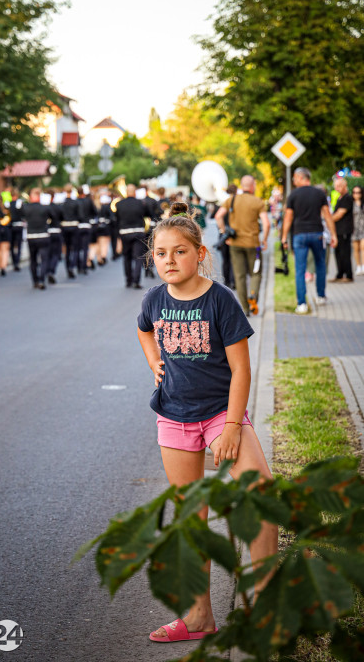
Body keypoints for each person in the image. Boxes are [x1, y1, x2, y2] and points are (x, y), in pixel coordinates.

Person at [137, 202, 277, 643]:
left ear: (200, 253)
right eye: (161, 253)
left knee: (261, 495)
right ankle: (199, 617)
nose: (169, 261)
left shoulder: (221, 299)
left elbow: (242, 370)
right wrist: (154, 361)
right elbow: (143, 329)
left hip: (222, 414)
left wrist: (233, 426)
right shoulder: (154, 300)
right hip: (174, 419)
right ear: (152, 258)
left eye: (179, 252)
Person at [281, 168, 336, 313]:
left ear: (300, 177)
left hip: (299, 235)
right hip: (317, 234)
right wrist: (333, 235)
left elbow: (288, 218)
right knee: (320, 265)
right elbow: (327, 215)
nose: (293, 181)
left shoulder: (293, 195)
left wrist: (284, 237)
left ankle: (302, 304)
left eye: (294, 178)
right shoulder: (319, 193)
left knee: (300, 269)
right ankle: (320, 296)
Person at [215, 175, 270, 316]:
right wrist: (264, 239)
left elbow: (218, 216)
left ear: (242, 185)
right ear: (252, 186)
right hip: (253, 245)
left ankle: (245, 308)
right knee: (255, 273)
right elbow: (266, 223)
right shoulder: (257, 202)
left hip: (235, 244)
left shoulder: (232, 200)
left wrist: (223, 231)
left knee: (239, 276)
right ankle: (253, 295)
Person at [115, 183, 147, 289]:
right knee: (138, 257)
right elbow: (148, 215)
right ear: (134, 192)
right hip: (138, 232)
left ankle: (128, 280)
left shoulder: (119, 204)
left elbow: (117, 219)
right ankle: (136, 281)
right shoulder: (141, 203)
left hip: (124, 233)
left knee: (127, 257)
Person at [22, 187, 52, 289]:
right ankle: (42, 280)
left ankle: (35, 280)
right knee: (44, 259)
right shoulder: (45, 207)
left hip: (31, 236)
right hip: (43, 235)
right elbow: (53, 217)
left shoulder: (25, 207)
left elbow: (21, 216)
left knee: (33, 259)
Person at [330, 177, 354, 283]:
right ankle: (340, 274)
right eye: (336, 186)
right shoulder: (340, 198)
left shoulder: (347, 198)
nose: (337, 188)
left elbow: (339, 214)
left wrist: (328, 220)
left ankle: (348, 275)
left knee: (345, 253)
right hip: (338, 230)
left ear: (345, 186)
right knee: (338, 253)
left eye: (339, 186)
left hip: (344, 230)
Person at [60, 184, 80, 279]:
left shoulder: (62, 204)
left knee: (67, 249)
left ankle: (68, 267)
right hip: (74, 226)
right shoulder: (76, 203)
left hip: (65, 227)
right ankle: (72, 266)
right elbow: (80, 215)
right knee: (75, 248)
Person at [9, 188, 25, 271]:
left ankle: (14, 261)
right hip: (18, 225)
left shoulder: (8, 204)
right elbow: (23, 214)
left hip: (10, 226)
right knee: (18, 245)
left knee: (11, 245)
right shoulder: (20, 203)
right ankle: (17, 262)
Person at [351, 185, 364, 276]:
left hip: (363, 227)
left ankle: (363, 265)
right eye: (354, 192)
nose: (356, 194)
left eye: (358, 192)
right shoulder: (351, 203)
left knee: (363, 247)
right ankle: (358, 266)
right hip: (354, 228)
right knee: (356, 248)